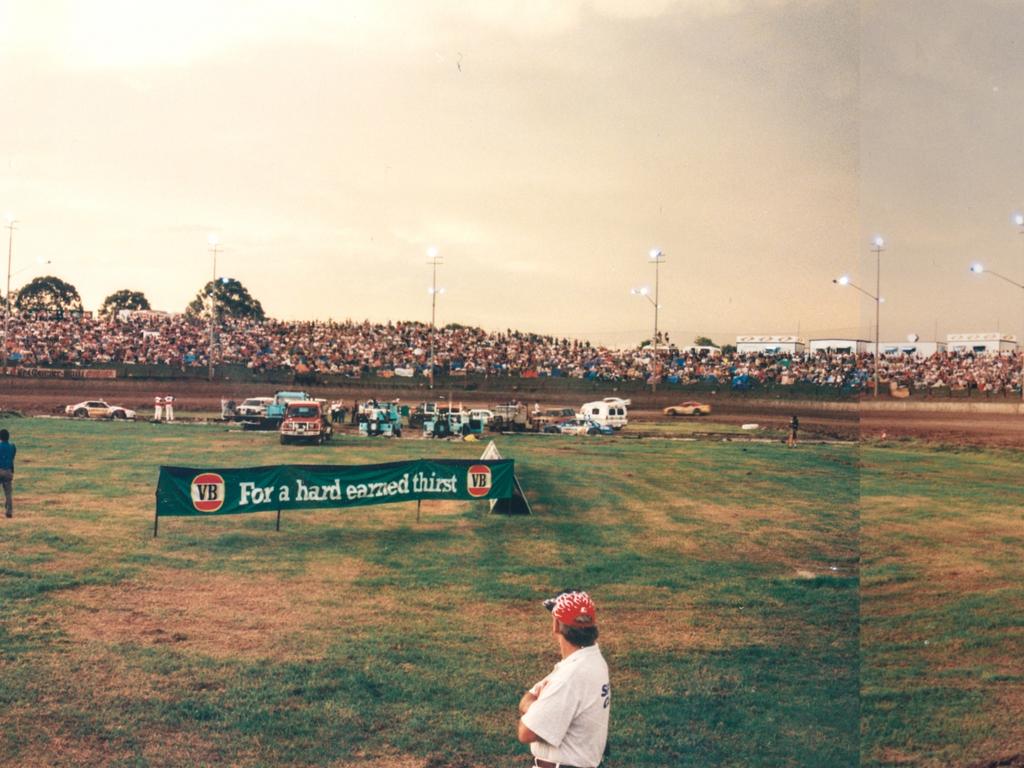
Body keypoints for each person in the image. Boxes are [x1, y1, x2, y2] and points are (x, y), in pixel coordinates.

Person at [518, 588, 610, 768]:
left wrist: (534, 706)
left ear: (556, 625)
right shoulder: (592, 660)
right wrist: (538, 706)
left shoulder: (568, 678)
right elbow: (529, 697)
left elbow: (526, 732)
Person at [0, 428, 16, 518]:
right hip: (8, 471)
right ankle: (9, 511)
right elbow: (12, 457)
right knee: (8, 493)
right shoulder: (12, 446)